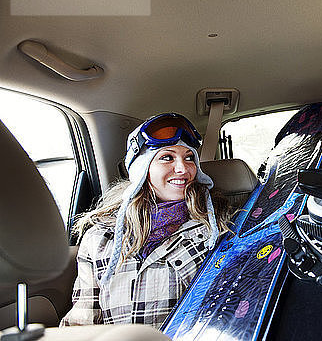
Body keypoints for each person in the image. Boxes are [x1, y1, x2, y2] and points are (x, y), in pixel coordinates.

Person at [61, 113, 231, 328]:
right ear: (142, 168)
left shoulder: (217, 226)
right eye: (167, 157)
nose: (183, 169)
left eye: (189, 157)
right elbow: (83, 319)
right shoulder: (100, 236)